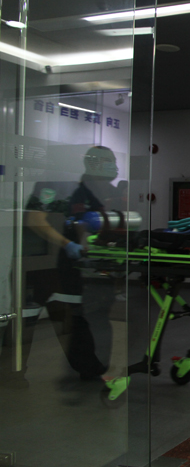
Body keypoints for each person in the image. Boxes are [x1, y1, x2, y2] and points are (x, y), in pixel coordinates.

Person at [21, 146, 122, 381]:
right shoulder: (56, 186)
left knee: (84, 317)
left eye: (112, 161)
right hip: (43, 264)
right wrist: (67, 244)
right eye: (107, 161)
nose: (112, 166)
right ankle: (15, 373)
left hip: (82, 265)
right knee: (29, 319)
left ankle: (90, 369)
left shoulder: (102, 190)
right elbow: (35, 219)